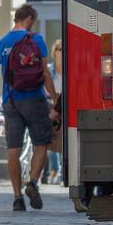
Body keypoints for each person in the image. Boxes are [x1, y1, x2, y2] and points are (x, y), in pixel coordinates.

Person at [0, 5, 59, 210]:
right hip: (34, 99)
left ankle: (16, 198)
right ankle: (32, 182)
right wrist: (55, 97)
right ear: (30, 18)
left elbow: (5, 73)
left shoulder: (2, 43)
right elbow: (45, 73)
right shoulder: (36, 40)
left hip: (10, 101)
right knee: (41, 143)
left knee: (13, 148)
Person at [45, 39, 63, 184]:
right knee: (51, 141)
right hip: (51, 107)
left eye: (63, 49)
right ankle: (55, 169)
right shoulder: (49, 70)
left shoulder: (69, 69)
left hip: (64, 108)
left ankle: (62, 172)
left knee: (64, 141)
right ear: (54, 52)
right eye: (59, 49)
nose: (61, 52)